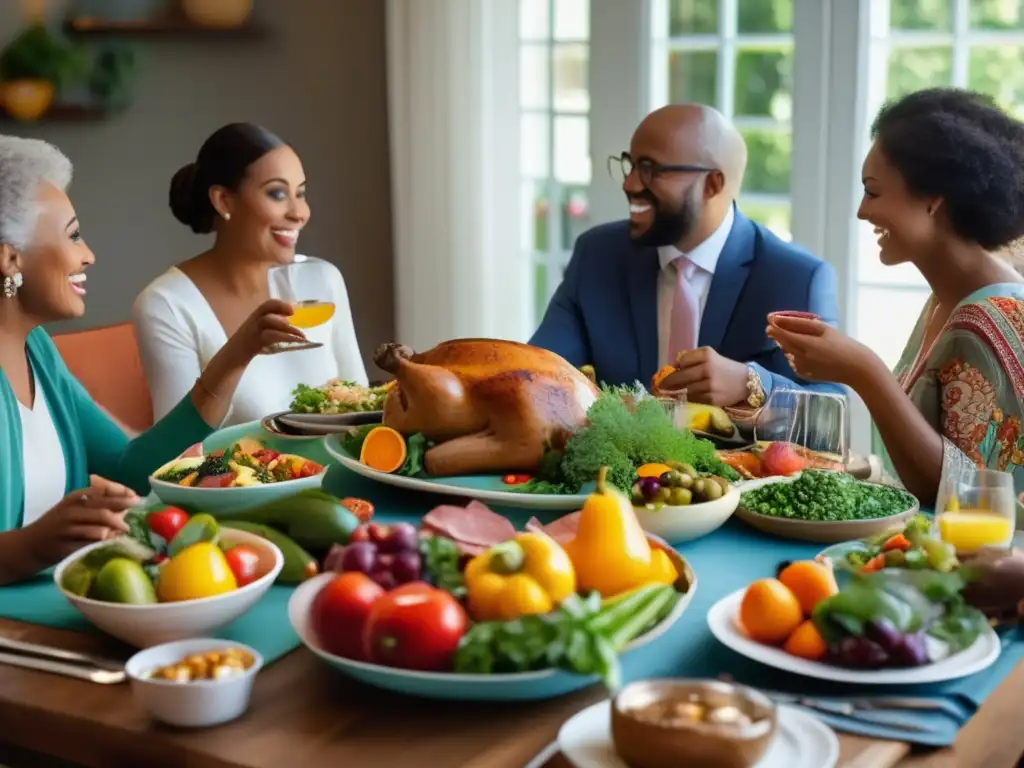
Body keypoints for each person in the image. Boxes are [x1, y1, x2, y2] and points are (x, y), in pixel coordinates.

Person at [0, 136, 308, 585]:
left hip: (69, 600)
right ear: (11, 259)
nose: (88, 254)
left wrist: (236, 357)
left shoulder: (39, 352)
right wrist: (33, 545)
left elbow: (133, 468)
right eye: (73, 235)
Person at [768, 88, 1024, 508]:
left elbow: (969, 497)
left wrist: (865, 372)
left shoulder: (998, 317)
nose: (861, 212)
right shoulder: (946, 300)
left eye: (873, 191)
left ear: (933, 200)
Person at [530, 104, 842, 407]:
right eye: (631, 163)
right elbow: (536, 373)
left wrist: (751, 385)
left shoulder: (796, 278)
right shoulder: (597, 256)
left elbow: (831, 405)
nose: (629, 183)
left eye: (650, 169)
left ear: (712, 184)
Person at [133, 123, 367, 426]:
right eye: (277, 193)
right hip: (245, 473)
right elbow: (177, 450)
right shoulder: (167, 304)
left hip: (340, 470)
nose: (300, 212)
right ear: (224, 201)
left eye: (301, 193)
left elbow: (363, 409)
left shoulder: (321, 280)